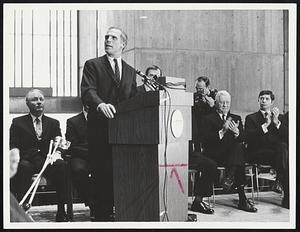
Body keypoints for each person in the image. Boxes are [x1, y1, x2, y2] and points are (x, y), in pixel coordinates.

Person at [81, 26, 137, 221]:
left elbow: (133, 99)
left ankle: (119, 209)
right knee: (101, 171)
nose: (108, 40)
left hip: (123, 132)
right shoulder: (93, 65)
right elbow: (88, 91)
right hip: (99, 129)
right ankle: (101, 214)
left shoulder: (130, 71)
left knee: (119, 171)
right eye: (106, 37)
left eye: (113, 37)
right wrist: (100, 104)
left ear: (123, 44)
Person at [10, 89, 69, 222]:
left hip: (46, 160)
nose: (38, 102)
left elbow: (60, 143)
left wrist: (58, 152)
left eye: (41, 99)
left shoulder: (54, 123)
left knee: (62, 166)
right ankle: (21, 210)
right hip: (27, 160)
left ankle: (61, 210)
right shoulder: (17, 122)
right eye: (34, 99)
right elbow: (13, 145)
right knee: (23, 167)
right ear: (27, 103)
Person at [201, 90, 257, 213]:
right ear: (216, 103)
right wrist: (222, 131)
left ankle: (230, 178)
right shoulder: (208, 119)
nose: (225, 105)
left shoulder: (236, 118)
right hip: (215, 154)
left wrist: (237, 132)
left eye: (227, 102)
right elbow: (205, 141)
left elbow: (243, 138)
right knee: (238, 160)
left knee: (238, 149)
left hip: (231, 156)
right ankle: (242, 199)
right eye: (222, 103)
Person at [245, 90, 289, 209]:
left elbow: (288, 137)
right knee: (285, 158)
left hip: (275, 154)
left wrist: (276, 123)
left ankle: (287, 199)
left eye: (267, 99)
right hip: (257, 152)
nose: (264, 101)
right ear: (258, 100)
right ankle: (280, 182)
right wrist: (265, 125)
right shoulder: (251, 118)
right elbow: (249, 139)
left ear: (272, 102)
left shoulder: (279, 118)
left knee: (284, 150)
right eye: (262, 98)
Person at [65, 104, 95, 221]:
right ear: (84, 103)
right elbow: (72, 145)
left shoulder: (102, 118)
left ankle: (108, 204)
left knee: (108, 169)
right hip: (80, 156)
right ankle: (92, 203)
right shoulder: (72, 121)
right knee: (78, 170)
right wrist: (91, 153)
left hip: (100, 155)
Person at [191, 76, 218, 152]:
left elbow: (222, 114)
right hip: (198, 129)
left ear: (208, 87)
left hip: (212, 129)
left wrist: (213, 106)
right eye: (197, 88)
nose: (198, 91)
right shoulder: (194, 96)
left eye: (201, 89)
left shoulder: (216, 96)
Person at [10, 148, 34, 222]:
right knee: (24, 167)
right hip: (22, 157)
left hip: (34, 158)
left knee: (25, 167)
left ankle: (22, 204)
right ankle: (20, 205)